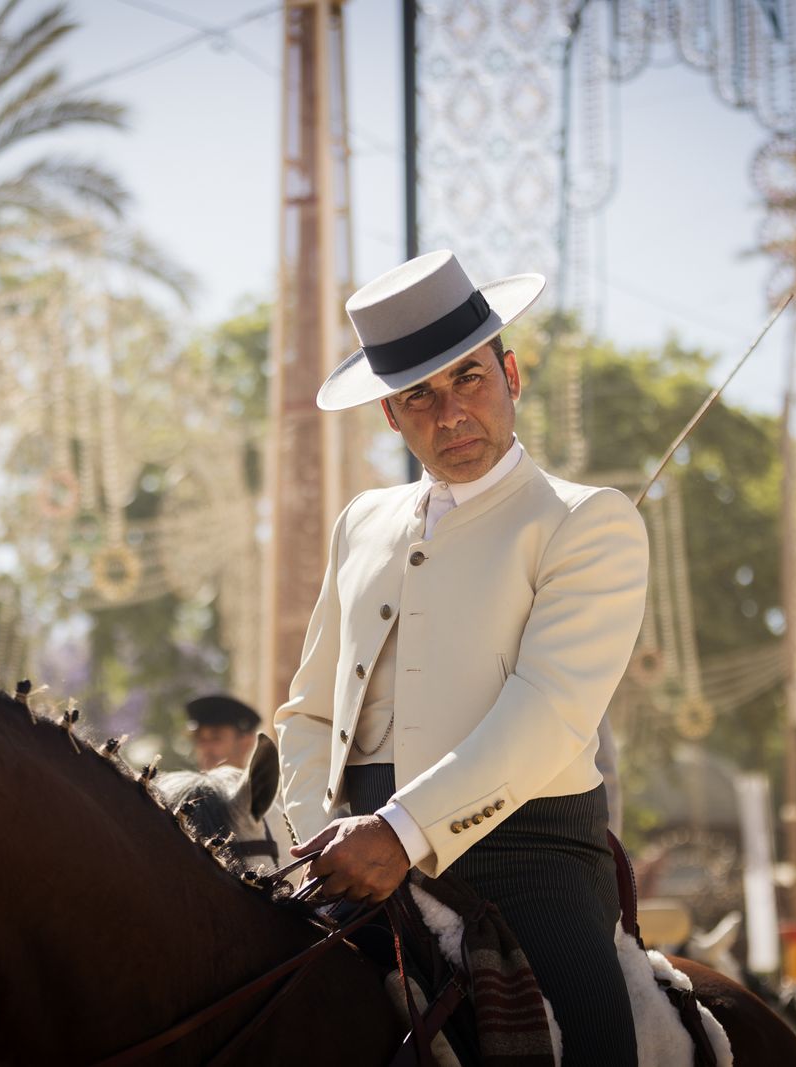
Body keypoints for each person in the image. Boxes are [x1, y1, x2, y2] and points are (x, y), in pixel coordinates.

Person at [275, 250, 649, 1063]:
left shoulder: (588, 521)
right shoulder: (361, 523)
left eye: (469, 378)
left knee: (594, 1038)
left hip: (528, 858)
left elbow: (547, 712)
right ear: (390, 416)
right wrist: (317, 839)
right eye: (419, 396)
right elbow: (306, 712)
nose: (450, 413)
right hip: (346, 859)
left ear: (510, 373)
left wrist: (401, 833)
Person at [185, 693, 262, 771]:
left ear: (245, 743)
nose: (206, 749)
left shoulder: (264, 783)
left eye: (216, 738)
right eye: (201, 740)